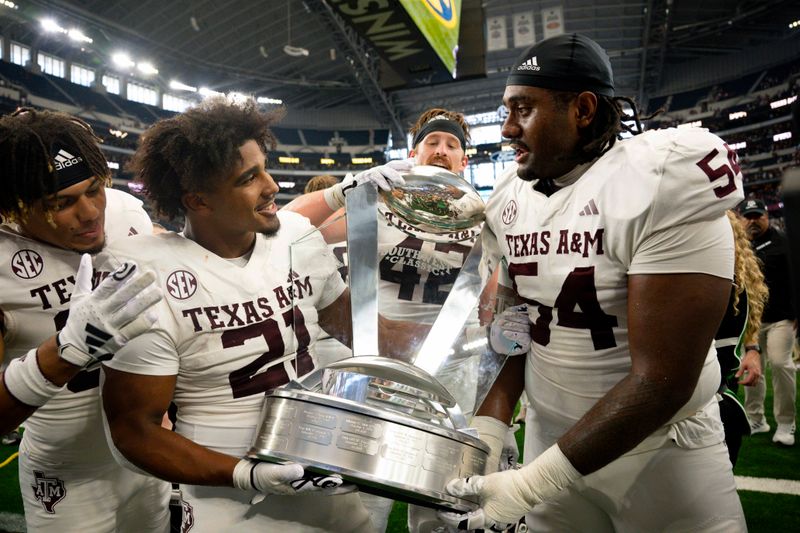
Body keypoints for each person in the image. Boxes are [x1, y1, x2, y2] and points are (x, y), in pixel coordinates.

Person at [441, 33, 747, 532]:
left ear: (582, 109)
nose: (507, 129)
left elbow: (662, 381)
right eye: (507, 110)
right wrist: (489, 432)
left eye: (523, 110)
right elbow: (514, 331)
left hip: (660, 451)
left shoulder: (660, 177)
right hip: (549, 440)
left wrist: (530, 484)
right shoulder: (507, 198)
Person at [100, 96, 420, 532]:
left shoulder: (296, 238)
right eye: (248, 178)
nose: (271, 185)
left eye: (264, 167)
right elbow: (134, 430)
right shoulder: (148, 276)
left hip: (323, 474)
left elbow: (372, 334)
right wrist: (243, 473)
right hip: (228, 499)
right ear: (199, 200)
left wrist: (477, 336)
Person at [0, 108, 170, 532]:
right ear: (15, 208)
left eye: (95, 190)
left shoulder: (127, 213)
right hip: (68, 474)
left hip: (148, 451)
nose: (92, 212)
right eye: (63, 203)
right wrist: (66, 350)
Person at [739, 198, 797, 446]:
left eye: (757, 216)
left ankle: (786, 422)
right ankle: (756, 418)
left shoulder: (784, 242)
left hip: (781, 317)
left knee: (780, 363)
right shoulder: (739, 246)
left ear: (766, 216)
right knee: (752, 368)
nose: (753, 221)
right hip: (751, 322)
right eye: (748, 216)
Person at [714, 211, 767, 465]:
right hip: (719, 401)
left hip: (708, 405)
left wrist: (752, 348)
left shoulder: (721, 280)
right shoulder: (737, 274)